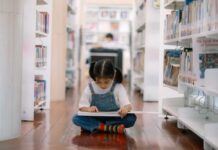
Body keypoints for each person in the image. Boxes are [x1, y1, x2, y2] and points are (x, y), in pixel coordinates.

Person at [73, 60, 136, 134]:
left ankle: (96, 127)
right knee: (76, 118)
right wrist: (88, 109)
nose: (102, 85)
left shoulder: (118, 87)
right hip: (96, 118)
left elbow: (128, 105)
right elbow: (81, 107)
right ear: (94, 76)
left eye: (106, 82)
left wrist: (125, 109)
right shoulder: (90, 88)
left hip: (114, 119)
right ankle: (110, 128)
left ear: (113, 76)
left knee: (131, 118)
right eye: (98, 81)